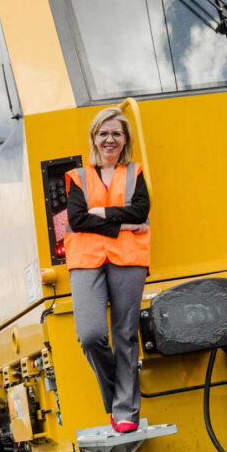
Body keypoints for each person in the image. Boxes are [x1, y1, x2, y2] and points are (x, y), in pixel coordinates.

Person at [65, 108, 150, 433]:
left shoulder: (135, 172)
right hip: (86, 261)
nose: (110, 139)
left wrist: (101, 211)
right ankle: (117, 397)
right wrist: (125, 224)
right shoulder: (77, 177)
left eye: (117, 133)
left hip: (129, 260)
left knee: (125, 336)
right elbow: (77, 219)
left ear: (125, 139)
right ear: (94, 138)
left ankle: (125, 411)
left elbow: (142, 209)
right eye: (104, 133)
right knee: (90, 336)